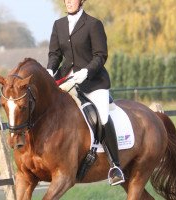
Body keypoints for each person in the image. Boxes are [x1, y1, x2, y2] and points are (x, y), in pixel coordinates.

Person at [47, 0, 125, 186]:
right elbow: (55, 54)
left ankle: (116, 166)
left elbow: (100, 55)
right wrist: (50, 70)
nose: (68, 2)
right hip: (66, 80)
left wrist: (86, 72)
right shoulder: (58, 25)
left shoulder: (93, 24)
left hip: (93, 81)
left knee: (103, 118)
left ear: (81, 1)